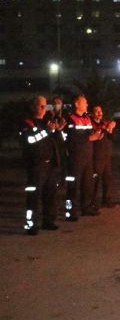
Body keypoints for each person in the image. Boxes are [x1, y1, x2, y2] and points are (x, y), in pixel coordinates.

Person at [20, 96, 61, 234]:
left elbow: (54, 140)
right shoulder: (27, 123)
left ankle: (48, 221)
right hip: (36, 165)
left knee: (50, 194)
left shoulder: (46, 122)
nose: (44, 109)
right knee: (34, 196)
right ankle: (31, 225)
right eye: (40, 106)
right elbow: (31, 140)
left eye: (45, 106)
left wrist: (57, 130)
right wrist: (46, 131)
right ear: (34, 107)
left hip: (50, 164)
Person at [65, 94, 102, 219]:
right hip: (76, 157)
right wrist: (89, 138)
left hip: (88, 156)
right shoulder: (70, 119)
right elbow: (71, 137)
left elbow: (90, 133)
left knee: (87, 184)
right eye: (84, 102)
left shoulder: (87, 119)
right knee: (73, 186)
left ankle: (86, 207)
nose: (87, 104)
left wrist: (96, 134)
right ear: (77, 104)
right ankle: (71, 211)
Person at [91, 105, 116, 208]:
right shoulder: (91, 124)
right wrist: (102, 131)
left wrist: (110, 130)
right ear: (92, 113)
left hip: (106, 156)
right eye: (96, 111)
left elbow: (113, 137)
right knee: (95, 181)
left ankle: (107, 199)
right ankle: (93, 202)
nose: (99, 113)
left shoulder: (105, 124)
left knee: (107, 179)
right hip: (96, 156)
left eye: (100, 111)